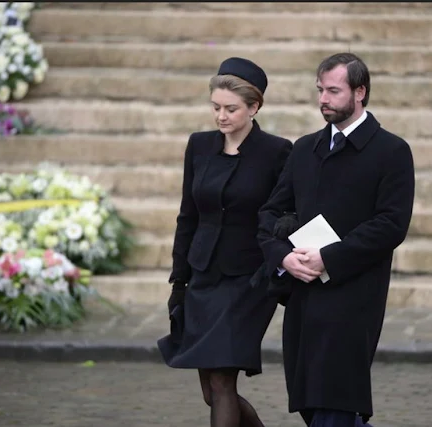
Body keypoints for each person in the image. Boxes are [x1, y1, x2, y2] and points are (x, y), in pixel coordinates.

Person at [257, 52, 416, 426]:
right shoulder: (304, 148)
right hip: (302, 293)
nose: (323, 99)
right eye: (319, 90)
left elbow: (392, 224)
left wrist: (329, 257)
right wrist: (283, 258)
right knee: (312, 404)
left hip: (354, 294)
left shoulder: (392, 151)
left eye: (333, 90)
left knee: (336, 403)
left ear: (360, 92)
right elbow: (270, 213)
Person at [158, 57, 293, 427]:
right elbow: (188, 216)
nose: (221, 116)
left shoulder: (277, 151)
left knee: (221, 381)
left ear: (254, 107)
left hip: (249, 281)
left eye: (231, 109)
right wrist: (179, 282)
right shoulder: (199, 146)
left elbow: (287, 211)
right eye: (215, 107)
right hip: (203, 276)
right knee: (213, 392)